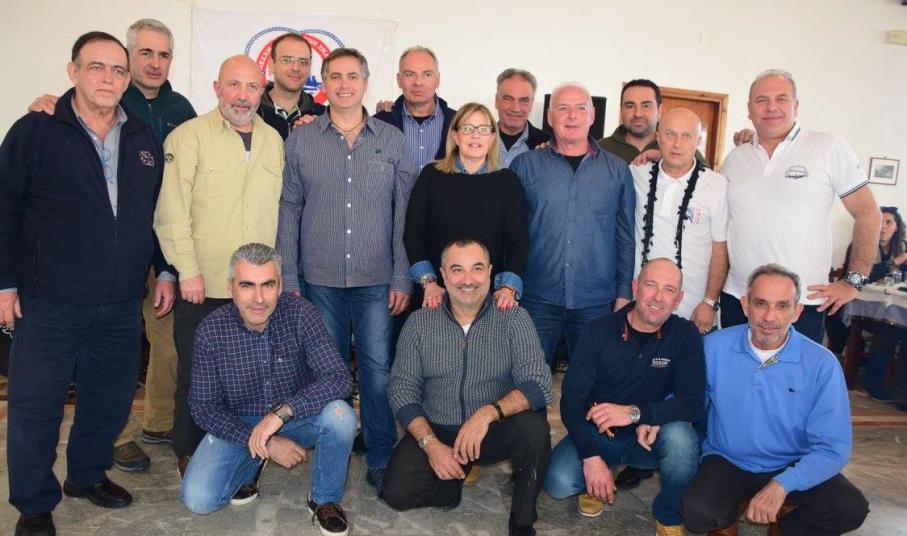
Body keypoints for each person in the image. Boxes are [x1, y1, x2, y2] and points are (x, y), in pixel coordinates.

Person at [0, 32, 172, 536]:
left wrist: (164, 268)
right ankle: (34, 503)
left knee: (108, 397)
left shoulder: (141, 137)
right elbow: (5, 208)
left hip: (119, 301)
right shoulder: (35, 130)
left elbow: (154, 216)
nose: (108, 78)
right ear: (73, 71)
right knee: (37, 405)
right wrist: (4, 282)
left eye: (118, 70)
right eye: (97, 67)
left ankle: (87, 475)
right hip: (49, 300)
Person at [25, 17, 195, 473]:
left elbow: (175, 185)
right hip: (87, 263)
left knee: (161, 346)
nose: (154, 62)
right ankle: (113, 440)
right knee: (93, 358)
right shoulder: (97, 103)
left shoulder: (181, 108)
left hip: (155, 247)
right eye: (145, 53)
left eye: (164, 55)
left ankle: (156, 424)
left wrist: (169, 263)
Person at [276, 47, 417, 491]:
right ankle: (333, 453)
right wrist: (289, 276)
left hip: (377, 279)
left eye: (352, 76)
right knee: (329, 374)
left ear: (366, 82)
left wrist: (402, 274)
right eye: (334, 76)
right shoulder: (302, 140)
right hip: (320, 279)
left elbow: (405, 214)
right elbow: (289, 208)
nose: (344, 84)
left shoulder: (392, 140)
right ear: (323, 83)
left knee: (377, 372)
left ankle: (380, 455)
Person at [154, 54, 285, 476]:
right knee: (196, 376)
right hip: (204, 283)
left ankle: (246, 454)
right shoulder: (187, 137)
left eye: (251, 87)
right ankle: (190, 454)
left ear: (262, 91)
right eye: (233, 85)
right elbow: (171, 212)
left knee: (252, 377)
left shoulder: (273, 141)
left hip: (258, 289)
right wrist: (186, 269)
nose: (242, 96)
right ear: (216, 88)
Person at [682, 264, 869, 535]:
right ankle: (725, 520)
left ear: (797, 311)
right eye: (761, 304)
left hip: (793, 460)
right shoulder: (713, 347)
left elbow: (834, 448)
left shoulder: (822, 363)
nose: (770, 317)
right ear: (745, 305)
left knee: (849, 509)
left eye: (782, 306)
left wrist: (783, 484)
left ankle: (785, 531)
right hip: (728, 459)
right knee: (696, 514)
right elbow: (684, 398)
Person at [181, 243, 354, 536]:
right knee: (199, 500)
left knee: (341, 416)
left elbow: (338, 378)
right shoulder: (211, 331)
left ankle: (324, 499)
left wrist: (281, 414)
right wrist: (266, 442)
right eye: (247, 285)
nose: (259, 298)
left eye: (268, 285)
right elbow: (204, 408)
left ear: (280, 286)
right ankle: (255, 460)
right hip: (240, 424)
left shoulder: (301, 313)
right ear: (230, 287)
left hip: (295, 417)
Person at [383, 239, 553, 536]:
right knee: (396, 493)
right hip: (439, 428)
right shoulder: (419, 323)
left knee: (535, 429)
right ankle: (450, 486)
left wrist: (487, 413)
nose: (468, 279)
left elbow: (539, 383)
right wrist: (430, 444)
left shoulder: (513, 317)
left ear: (489, 271)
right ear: (442, 275)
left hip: (493, 429)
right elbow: (401, 389)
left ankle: (523, 521)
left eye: (477, 268)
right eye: (457, 269)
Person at [544, 259, 705, 536]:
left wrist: (636, 413)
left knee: (682, 439)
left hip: (649, 438)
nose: (657, 297)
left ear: (678, 299)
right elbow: (571, 400)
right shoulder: (598, 330)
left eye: (668, 290)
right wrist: (590, 457)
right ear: (635, 287)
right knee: (558, 483)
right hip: (600, 434)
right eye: (650, 285)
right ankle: (599, 476)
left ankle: (667, 514)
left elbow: (693, 403)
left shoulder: (685, 334)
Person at [720, 69, 882, 343]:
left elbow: (868, 214)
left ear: (795, 105)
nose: (771, 107)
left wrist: (853, 282)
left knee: (794, 372)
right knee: (733, 370)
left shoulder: (828, 147)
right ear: (749, 109)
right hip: (739, 300)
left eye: (781, 99)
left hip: (800, 304)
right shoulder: (735, 158)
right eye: (761, 100)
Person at [510, 82, 635, 367]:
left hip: (596, 301)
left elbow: (625, 237)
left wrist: (624, 293)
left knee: (593, 380)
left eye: (580, 108)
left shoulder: (617, 170)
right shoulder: (525, 166)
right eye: (563, 108)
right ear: (550, 117)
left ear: (592, 115)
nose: (572, 116)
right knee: (529, 377)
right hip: (537, 297)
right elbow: (510, 233)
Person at [403, 102, 528, 311]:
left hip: (490, 298)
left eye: (483, 129)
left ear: (492, 137)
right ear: (455, 135)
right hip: (436, 295)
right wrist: (428, 283)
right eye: (468, 128)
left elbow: (518, 243)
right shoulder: (431, 176)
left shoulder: (508, 182)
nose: (476, 135)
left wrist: (508, 288)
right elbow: (413, 235)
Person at [630, 108, 728, 330]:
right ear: (658, 137)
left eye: (686, 136)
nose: (677, 144)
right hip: (642, 308)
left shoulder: (716, 185)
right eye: (670, 134)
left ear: (698, 141)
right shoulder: (636, 174)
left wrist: (709, 302)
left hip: (693, 309)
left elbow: (720, 248)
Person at [826, 206, 907, 401]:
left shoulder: (901, 248)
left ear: (897, 227)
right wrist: (895, 262)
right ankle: (874, 385)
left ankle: (900, 388)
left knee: (899, 327)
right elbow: (858, 279)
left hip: (888, 307)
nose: (883, 227)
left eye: (888, 222)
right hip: (854, 308)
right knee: (889, 329)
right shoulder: (861, 246)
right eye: (880, 222)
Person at [373, 46, 456, 169]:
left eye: (427, 75)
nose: (418, 82)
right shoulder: (378, 123)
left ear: (437, 80)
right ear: (399, 80)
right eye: (409, 75)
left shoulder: (459, 122)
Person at [596, 79, 707, 167]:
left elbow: (705, 179)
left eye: (646, 106)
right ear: (621, 111)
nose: (637, 113)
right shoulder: (599, 149)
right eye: (630, 106)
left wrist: (667, 158)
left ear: (659, 110)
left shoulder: (681, 150)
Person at [258, 32, 326, 140]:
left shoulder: (324, 116)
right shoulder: (251, 112)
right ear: (271, 65)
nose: (296, 68)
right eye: (287, 60)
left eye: (303, 61)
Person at [494, 68, 551, 166]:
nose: (516, 109)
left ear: (531, 104)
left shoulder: (549, 146)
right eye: (508, 99)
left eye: (524, 100)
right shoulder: (475, 140)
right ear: (496, 101)